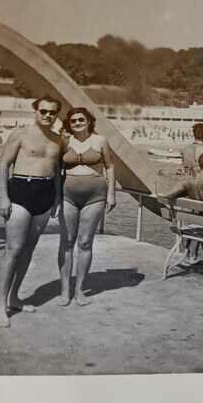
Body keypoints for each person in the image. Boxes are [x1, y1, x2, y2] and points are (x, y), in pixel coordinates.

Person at [0, 97, 63, 328]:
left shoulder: (58, 140)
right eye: (43, 111)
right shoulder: (20, 134)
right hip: (21, 189)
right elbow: (3, 165)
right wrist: (3, 197)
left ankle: (14, 297)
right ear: (36, 111)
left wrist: (58, 199)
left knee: (29, 249)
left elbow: (57, 171)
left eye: (52, 112)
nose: (47, 115)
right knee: (14, 249)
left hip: (45, 193)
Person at [59, 107, 116, 306]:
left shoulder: (100, 141)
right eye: (73, 120)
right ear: (69, 123)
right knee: (66, 241)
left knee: (84, 242)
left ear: (89, 121)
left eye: (81, 119)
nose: (77, 123)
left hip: (95, 195)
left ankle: (79, 290)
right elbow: (55, 167)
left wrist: (111, 193)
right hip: (67, 196)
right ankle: (65, 289)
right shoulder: (64, 141)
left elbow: (109, 166)